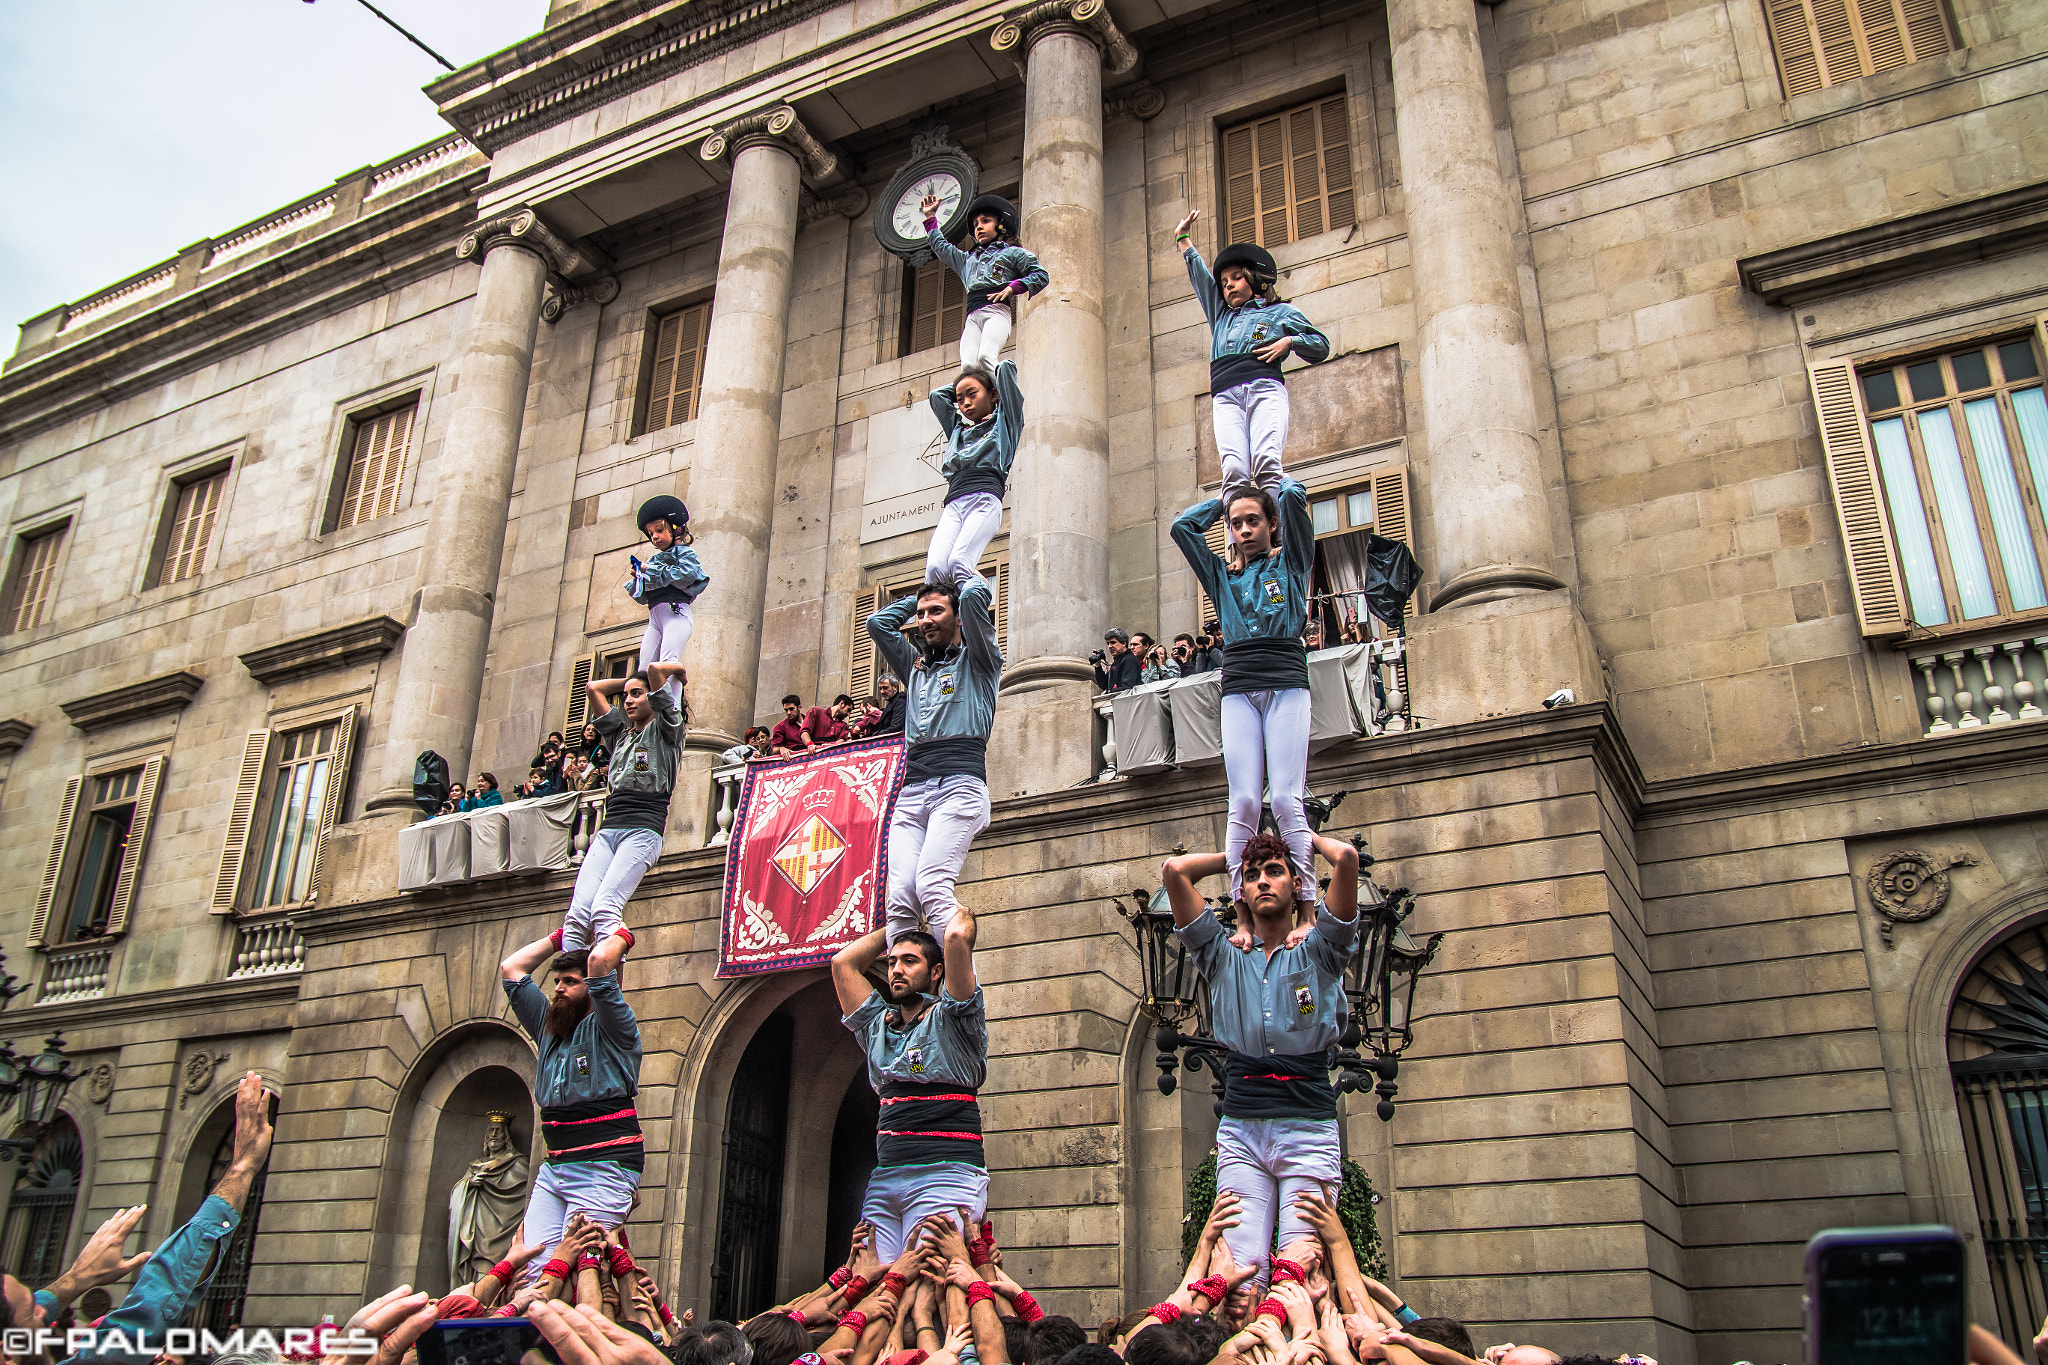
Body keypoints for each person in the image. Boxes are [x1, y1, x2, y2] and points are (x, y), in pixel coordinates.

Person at [1159, 829, 1359, 1289]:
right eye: (1252, 877)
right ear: (1241, 892)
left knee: (1301, 1273)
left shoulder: (1321, 951)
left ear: (1296, 885)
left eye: (1275, 872)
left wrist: (1302, 837)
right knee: (1235, 1274)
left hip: (1307, 1128)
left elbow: (1345, 859)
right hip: (1242, 1132)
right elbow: (1175, 872)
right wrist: (1234, 861)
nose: (1263, 882)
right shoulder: (1221, 954)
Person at [1172, 480, 1318, 917]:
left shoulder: (1292, 564)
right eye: (1236, 524)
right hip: (1238, 687)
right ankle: (1241, 911)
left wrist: (1267, 478)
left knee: (1286, 799)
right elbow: (1182, 528)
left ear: (1273, 525)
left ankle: (1307, 906)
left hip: (1287, 681)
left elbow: (1292, 498)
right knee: (1246, 801)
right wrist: (1223, 501)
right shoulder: (1220, 575)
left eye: (1253, 520)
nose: (1243, 530)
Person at [830, 914, 986, 1260]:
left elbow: (959, 935)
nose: (896, 969)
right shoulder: (877, 1026)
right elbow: (843, 963)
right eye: (892, 962)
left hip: (945, 1174)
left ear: (936, 972)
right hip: (886, 1178)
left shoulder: (955, 1018)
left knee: (928, 1281)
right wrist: (898, 926)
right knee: (870, 1281)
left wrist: (935, 903)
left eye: (910, 961)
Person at [500, 937, 645, 1282]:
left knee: (582, 1272)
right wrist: (559, 937)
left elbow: (599, 965)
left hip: (604, 1167)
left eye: (570, 982)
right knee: (532, 1269)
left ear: (592, 989)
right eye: (557, 982)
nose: (560, 989)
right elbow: (512, 969)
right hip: (556, 1168)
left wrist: (619, 936)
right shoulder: (550, 1026)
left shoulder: (612, 1026)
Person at [866, 577, 1001, 945]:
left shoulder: (980, 661)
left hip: (959, 786)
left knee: (931, 883)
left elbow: (974, 596)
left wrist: (953, 573)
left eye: (936, 611)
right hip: (912, 793)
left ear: (959, 619)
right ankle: (908, 985)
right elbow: (878, 624)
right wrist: (917, 599)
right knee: (901, 895)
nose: (925, 619)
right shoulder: (914, 665)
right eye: (921, 614)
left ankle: (961, 993)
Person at [1172, 209, 1331, 499]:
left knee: (1266, 462)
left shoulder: (1280, 312)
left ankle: (1279, 538)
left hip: (1263, 389)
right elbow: (1201, 279)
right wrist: (1183, 240)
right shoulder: (1220, 316)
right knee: (1233, 471)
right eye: (1224, 282)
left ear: (1254, 279)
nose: (1228, 284)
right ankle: (1238, 543)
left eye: (1235, 277)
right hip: (1225, 396)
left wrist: (1290, 343)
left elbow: (1321, 345)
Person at [560, 663, 686, 979]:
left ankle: (607, 985)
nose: (627, 700)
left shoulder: (667, 730)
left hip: (642, 830)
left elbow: (658, 670)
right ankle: (573, 985)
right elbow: (593, 689)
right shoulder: (620, 734)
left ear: (654, 699)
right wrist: (630, 681)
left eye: (636, 694)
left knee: (605, 908)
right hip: (608, 829)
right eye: (626, 695)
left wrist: (673, 673)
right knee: (577, 916)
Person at [920, 358, 1025, 593]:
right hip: (954, 504)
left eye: (972, 395)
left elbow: (1006, 369)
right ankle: (946, 620)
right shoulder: (958, 431)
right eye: (960, 400)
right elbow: (937, 396)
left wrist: (985, 371)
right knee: (935, 569)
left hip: (984, 499)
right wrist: (966, 383)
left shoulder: (1006, 424)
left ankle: (976, 606)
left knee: (959, 563)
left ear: (994, 394)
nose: (965, 404)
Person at [920, 192, 1048, 369]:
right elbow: (941, 247)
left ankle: (1006, 389)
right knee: (968, 366)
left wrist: (1013, 287)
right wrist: (930, 217)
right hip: (973, 316)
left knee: (986, 357)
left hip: (996, 312)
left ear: (1001, 225)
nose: (978, 227)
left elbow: (1041, 275)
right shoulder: (967, 260)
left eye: (985, 221)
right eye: (975, 224)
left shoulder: (1012, 253)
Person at [626, 495, 709, 708]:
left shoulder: (686, 554)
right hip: (655, 617)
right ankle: (645, 717)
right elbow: (642, 594)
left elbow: (687, 575)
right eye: (651, 533)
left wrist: (650, 572)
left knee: (667, 663)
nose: (654, 537)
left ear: (676, 529)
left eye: (659, 530)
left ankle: (672, 713)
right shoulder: (654, 560)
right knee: (644, 670)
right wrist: (641, 576)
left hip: (675, 614)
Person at [1092, 629, 1139, 693]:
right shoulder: (1117, 662)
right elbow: (1103, 684)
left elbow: (1128, 688)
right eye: (1108, 643)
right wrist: (1098, 665)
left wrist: (1108, 692)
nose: (1110, 646)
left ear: (1123, 643)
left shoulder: (1129, 660)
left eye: (1113, 642)